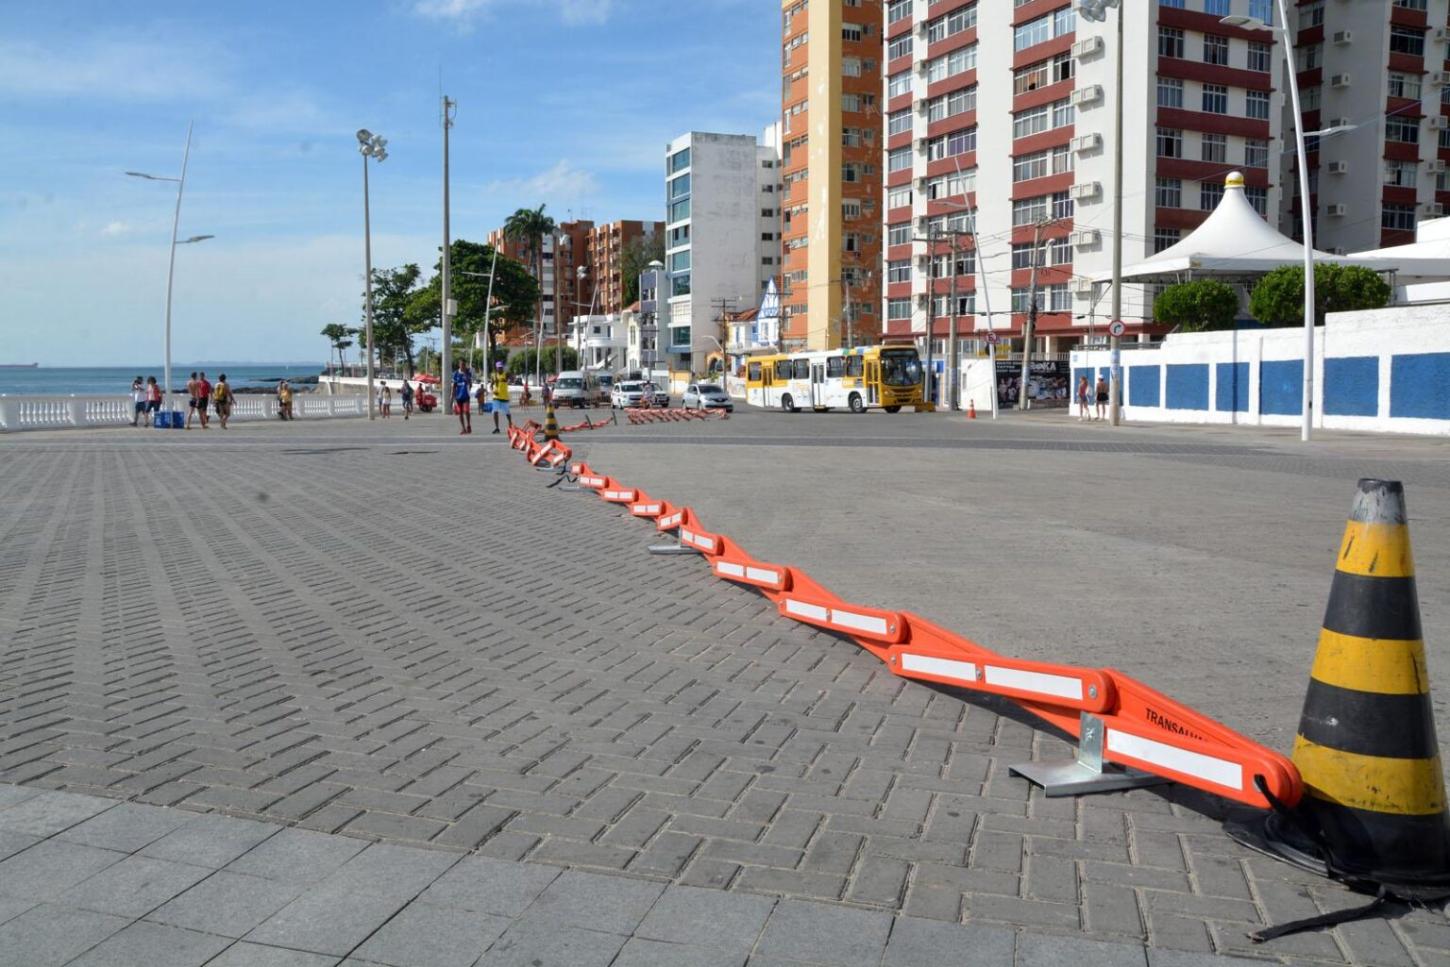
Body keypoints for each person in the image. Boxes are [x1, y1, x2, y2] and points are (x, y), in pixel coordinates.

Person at [491, 361, 513, 434]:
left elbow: (512, 378)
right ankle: (497, 428)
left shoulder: (506, 374)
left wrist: (509, 379)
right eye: (498, 367)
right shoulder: (494, 376)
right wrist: (493, 391)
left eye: (501, 367)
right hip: (496, 396)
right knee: (495, 411)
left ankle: (510, 424)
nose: (500, 369)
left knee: (507, 413)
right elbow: (491, 385)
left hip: (504, 396)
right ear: (496, 368)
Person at [452, 360, 472, 434]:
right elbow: (454, 386)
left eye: (464, 364)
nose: (462, 366)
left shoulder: (468, 373)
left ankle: (468, 425)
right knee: (460, 413)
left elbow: (470, 384)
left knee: (466, 411)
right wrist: (452, 395)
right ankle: (463, 428)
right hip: (458, 396)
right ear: (459, 365)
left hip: (466, 395)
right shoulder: (455, 374)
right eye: (461, 364)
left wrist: (466, 376)